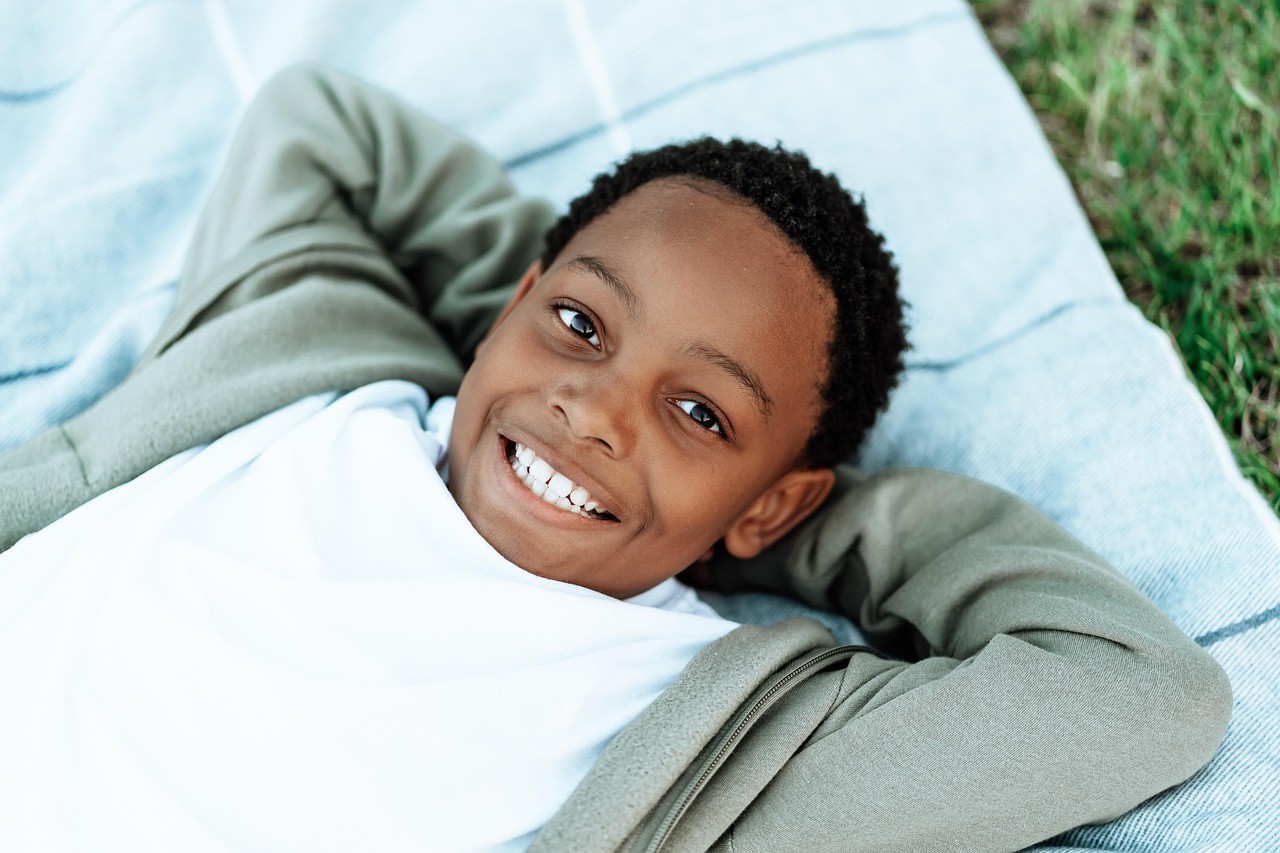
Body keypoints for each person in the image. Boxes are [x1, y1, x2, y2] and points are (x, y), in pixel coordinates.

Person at [0, 65, 1231, 852]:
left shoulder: (718, 725)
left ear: (777, 495)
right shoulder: (319, 364)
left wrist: (785, 521)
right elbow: (320, 121)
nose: (593, 412)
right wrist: (506, 354)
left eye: (699, 415)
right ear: (520, 296)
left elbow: (1137, 692)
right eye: (581, 324)